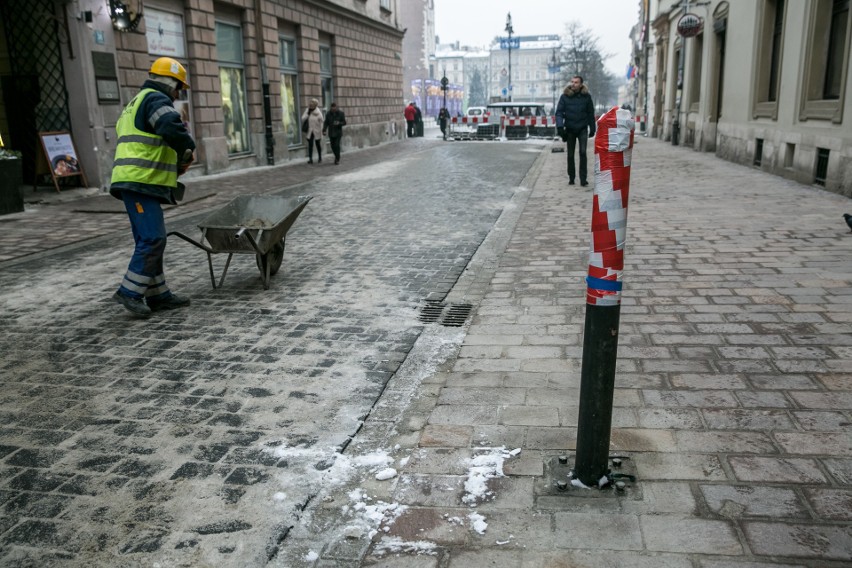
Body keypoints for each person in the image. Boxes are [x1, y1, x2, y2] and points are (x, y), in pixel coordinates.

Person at [109, 57, 195, 317]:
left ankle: (159, 295)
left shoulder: (137, 101)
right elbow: (170, 126)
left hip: (138, 180)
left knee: (149, 239)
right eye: (179, 87)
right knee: (153, 238)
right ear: (170, 82)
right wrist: (187, 149)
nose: (179, 93)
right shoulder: (157, 99)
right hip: (139, 181)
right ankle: (129, 292)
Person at [556, 75, 596, 187]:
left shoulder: (587, 97)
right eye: (572, 82)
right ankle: (571, 177)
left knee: (583, 152)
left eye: (576, 82)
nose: (573, 84)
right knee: (570, 154)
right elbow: (559, 112)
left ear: (581, 84)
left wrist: (592, 128)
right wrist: (560, 127)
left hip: (582, 128)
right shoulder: (564, 97)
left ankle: (583, 178)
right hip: (570, 128)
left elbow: (590, 113)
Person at [301, 98, 324, 164]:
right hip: (310, 130)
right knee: (310, 145)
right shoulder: (307, 110)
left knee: (317, 144)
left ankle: (320, 157)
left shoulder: (318, 112)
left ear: (315, 105)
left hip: (317, 130)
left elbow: (322, 121)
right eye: (310, 103)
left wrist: (322, 131)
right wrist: (307, 114)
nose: (310, 105)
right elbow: (302, 119)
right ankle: (310, 159)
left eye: (312, 104)